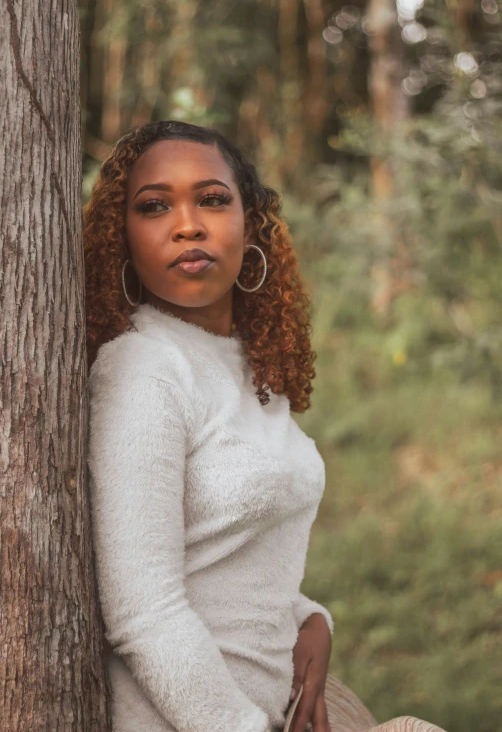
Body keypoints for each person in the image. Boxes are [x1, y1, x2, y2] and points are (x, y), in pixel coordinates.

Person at [83, 120, 446, 732]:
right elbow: (142, 612)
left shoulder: (251, 365)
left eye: (213, 198)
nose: (188, 224)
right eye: (154, 207)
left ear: (250, 223)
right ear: (123, 238)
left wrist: (311, 621)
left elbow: (234, 558)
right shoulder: (145, 368)